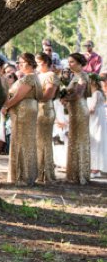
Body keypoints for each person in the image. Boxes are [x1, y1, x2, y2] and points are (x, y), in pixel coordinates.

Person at [1, 53, 38, 185]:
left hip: (24, 110)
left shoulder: (29, 77)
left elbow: (18, 96)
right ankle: (22, 174)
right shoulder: (29, 77)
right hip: (22, 110)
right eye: (19, 62)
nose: (19, 65)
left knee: (23, 141)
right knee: (21, 141)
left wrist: (5, 107)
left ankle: (24, 175)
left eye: (22, 62)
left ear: (29, 63)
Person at [62, 53, 91, 184]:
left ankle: (81, 174)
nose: (70, 64)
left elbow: (79, 94)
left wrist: (65, 98)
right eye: (69, 62)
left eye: (72, 62)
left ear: (80, 63)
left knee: (80, 140)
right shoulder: (75, 76)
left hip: (80, 109)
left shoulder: (83, 76)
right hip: (73, 110)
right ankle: (73, 173)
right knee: (74, 140)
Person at [34, 53, 58, 183]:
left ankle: (45, 172)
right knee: (37, 141)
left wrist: (31, 96)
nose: (37, 65)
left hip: (45, 110)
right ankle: (37, 171)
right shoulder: (38, 76)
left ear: (44, 62)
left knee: (43, 141)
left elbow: (48, 94)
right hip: (37, 109)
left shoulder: (51, 75)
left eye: (38, 62)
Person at [88, 76, 107, 178]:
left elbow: (92, 109)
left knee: (96, 142)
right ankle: (94, 168)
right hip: (93, 120)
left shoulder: (96, 93)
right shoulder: (93, 93)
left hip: (96, 121)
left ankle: (95, 169)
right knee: (93, 142)